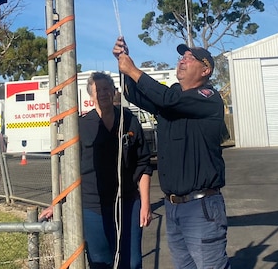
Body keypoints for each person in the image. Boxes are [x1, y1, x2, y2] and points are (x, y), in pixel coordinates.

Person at [112, 38, 230, 269]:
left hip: (201, 207)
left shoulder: (208, 97)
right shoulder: (173, 98)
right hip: (173, 207)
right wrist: (123, 65)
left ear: (206, 70)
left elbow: (168, 99)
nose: (182, 61)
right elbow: (135, 95)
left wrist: (134, 70)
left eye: (190, 57)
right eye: (181, 57)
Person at [80, 71, 153, 269]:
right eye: (97, 90)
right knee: (101, 261)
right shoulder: (82, 125)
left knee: (132, 261)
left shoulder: (129, 121)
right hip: (93, 206)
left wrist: (145, 204)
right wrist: (57, 203)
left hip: (128, 203)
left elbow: (143, 164)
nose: (103, 93)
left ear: (114, 91)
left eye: (106, 89)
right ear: (91, 95)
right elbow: (69, 170)